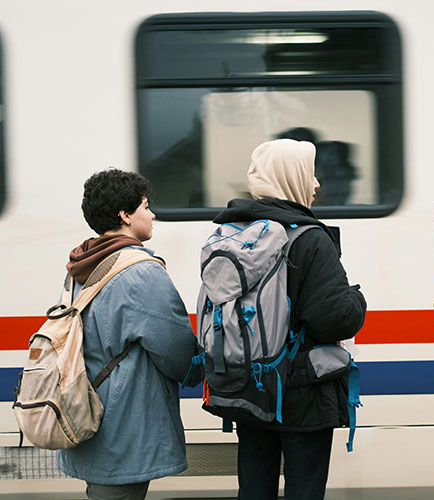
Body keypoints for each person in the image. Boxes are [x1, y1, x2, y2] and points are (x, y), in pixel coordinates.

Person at [212, 138, 367, 500]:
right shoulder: (309, 238)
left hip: (248, 386)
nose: (315, 185)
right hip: (302, 392)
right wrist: (356, 298)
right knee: (304, 489)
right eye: (310, 175)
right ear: (290, 178)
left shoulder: (231, 233)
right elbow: (335, 319)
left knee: (254, 488)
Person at [56, 168, 198, 500]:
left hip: (87, 407)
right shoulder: (141, 272)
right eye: (145, 206)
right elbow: (176, 348)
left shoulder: (82, 265)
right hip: (124, 420)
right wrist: (200, 372)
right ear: (125, 215)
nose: (151, 214)